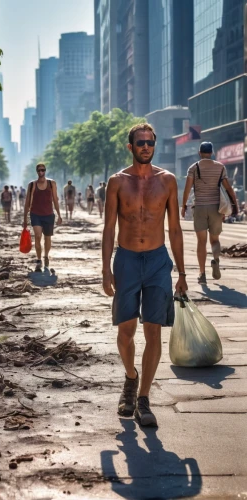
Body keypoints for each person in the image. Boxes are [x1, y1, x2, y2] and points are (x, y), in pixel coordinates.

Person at [102, 123, 187, 427]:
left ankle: (143, 400)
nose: (146, 147)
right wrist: (105, 269)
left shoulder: (168, 181)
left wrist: (183, 271)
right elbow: (109, 227)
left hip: (157, 261)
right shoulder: (117, 182)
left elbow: (175, 228)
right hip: (125, 260)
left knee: (154, 331)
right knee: (125, 333)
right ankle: (130, 377)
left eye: (151, 142)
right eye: (141, 143)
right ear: (131, 146)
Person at [181, 142, 238, 285]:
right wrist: (234, 205)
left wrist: (184, 205)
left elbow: (187, 189)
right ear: (212, 152)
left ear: (199, 152)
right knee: (215, 240)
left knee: (201, 242)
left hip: (199, 207)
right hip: (216, 209)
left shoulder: (194, 168)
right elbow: (229, 188)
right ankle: (216, 260)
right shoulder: (220, 167)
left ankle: (202, 274)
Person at [23, 163, 62, 272]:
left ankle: (46, 256)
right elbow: (27, 203)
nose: (41, 172)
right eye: (39, 170)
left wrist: (59, 215)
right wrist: (25, 219)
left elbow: (55, 199)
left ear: (45, 171)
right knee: (38, 236)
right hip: (35, 214)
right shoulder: (32, 185)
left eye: (43, 170)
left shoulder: (51, 183)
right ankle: (39, 260)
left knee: (47, 238)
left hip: (49, 214)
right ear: (36, 171)